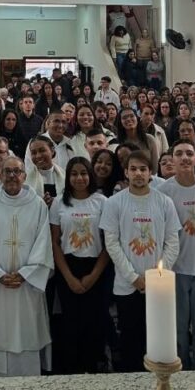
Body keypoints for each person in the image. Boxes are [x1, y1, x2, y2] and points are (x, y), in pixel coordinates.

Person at [0, 155, 54, 377]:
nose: (12, 176)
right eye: (7, 171)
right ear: (1, 174)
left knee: (27, 334)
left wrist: (26, 274)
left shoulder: (37, 204)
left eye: (17, 171)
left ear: (24, 176)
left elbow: (43, 244)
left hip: (27, 287)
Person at [99, 149, 181, 371]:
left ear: (151, 172)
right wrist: (133, 277)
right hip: (127, 284)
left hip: (158, 286)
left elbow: (173, 242)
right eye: (133, 169)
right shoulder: (114, 203)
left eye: (143, 169)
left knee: (156, 338)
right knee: (130, 338)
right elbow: (112, 244)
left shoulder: (164, 202)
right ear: (125, 172)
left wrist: (156, 276)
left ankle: (158, 379)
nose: (138, 173)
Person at [48, 157, 109, 374]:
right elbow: (55, 242)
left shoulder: (102, 202)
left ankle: (93, 369)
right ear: (68, 177)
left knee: (94, 323)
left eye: (83, 173)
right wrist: (68, 277)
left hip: (96, 267)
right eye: (74, 174)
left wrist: (94, 275)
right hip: (68, 267)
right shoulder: (59, 203)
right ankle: (71, 373)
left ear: (90, 175)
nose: (79, 178)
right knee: (70, 324)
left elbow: (108, 243)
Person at [159, 141, 195, 370]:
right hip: (176, 269)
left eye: (189, 153)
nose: (184, 157)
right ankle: (180, 373)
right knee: (178, 329)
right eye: (179, 153)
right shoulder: (163, 191)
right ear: (172, 159)